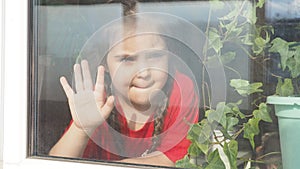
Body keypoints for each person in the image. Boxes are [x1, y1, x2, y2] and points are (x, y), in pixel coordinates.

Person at [49, 13, 200, 167]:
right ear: (105, 64)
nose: (144, 73)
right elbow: (54, 164)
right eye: (127, 60)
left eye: (155, 56)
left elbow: (174, 160)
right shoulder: (97, 100)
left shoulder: (180, 88)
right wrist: (81, 129)